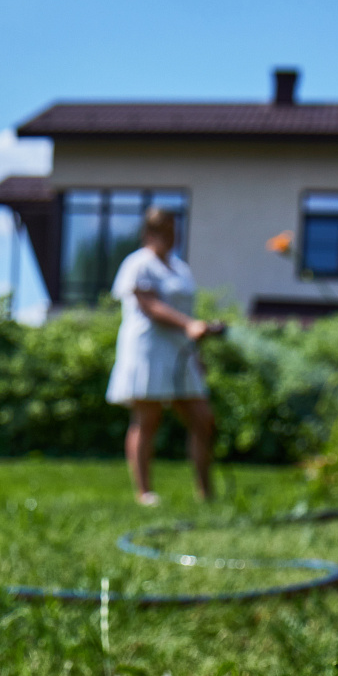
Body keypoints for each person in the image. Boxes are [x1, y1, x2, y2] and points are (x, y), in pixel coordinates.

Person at [106, 207, 224, 505]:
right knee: (148, 419)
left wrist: (196, 348)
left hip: (180, 352)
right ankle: (145, 492)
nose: (172, 237)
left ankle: (205, 493)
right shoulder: (138, 265)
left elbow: (186, 311)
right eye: (166, 231)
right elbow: (149, 305)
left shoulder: (180, 268)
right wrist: (188, 326)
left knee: (203, 419)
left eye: (175, 231)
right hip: (148, 350)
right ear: (150, 233)